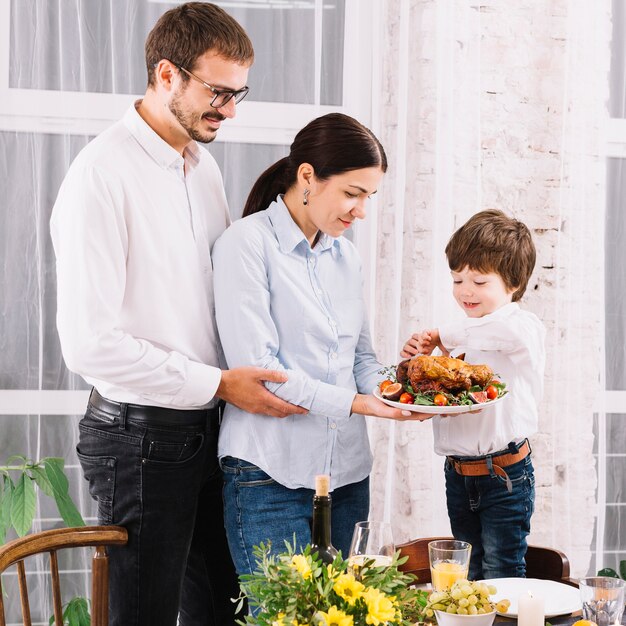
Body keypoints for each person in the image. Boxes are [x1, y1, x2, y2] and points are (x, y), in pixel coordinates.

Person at [50, 4, 307, 625]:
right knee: (144, 616)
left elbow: (219, 295)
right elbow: (90, 345)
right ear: (167, 75)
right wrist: (219, 383)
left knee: (228, 612)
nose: (231, 110)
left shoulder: (202, 165)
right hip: (140, 441)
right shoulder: (101, 176)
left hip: (208, 431)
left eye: (239, 93)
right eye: (218, 92)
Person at [212, 112, 428, 577]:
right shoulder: (245, 245)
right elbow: (262, 372)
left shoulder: (345, 255)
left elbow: (361, 359)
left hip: (347, 473)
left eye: (369, 197)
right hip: (268, 474)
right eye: (352, 194)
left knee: (354, 611)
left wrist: (405, 389)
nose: (361, 211)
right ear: (307, 175)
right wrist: (360, 404)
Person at [400, 209, 546, 580]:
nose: (465, 290)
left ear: (513, 283)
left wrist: (443, 335)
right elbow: (449, 397)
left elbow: (498, 336)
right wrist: (422, 364)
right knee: (466, 574)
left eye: (479, 282)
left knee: (503, 572)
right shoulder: (462, 333)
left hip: (505, 475)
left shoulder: (521, 327)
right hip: (458, 473)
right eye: (457, 279)